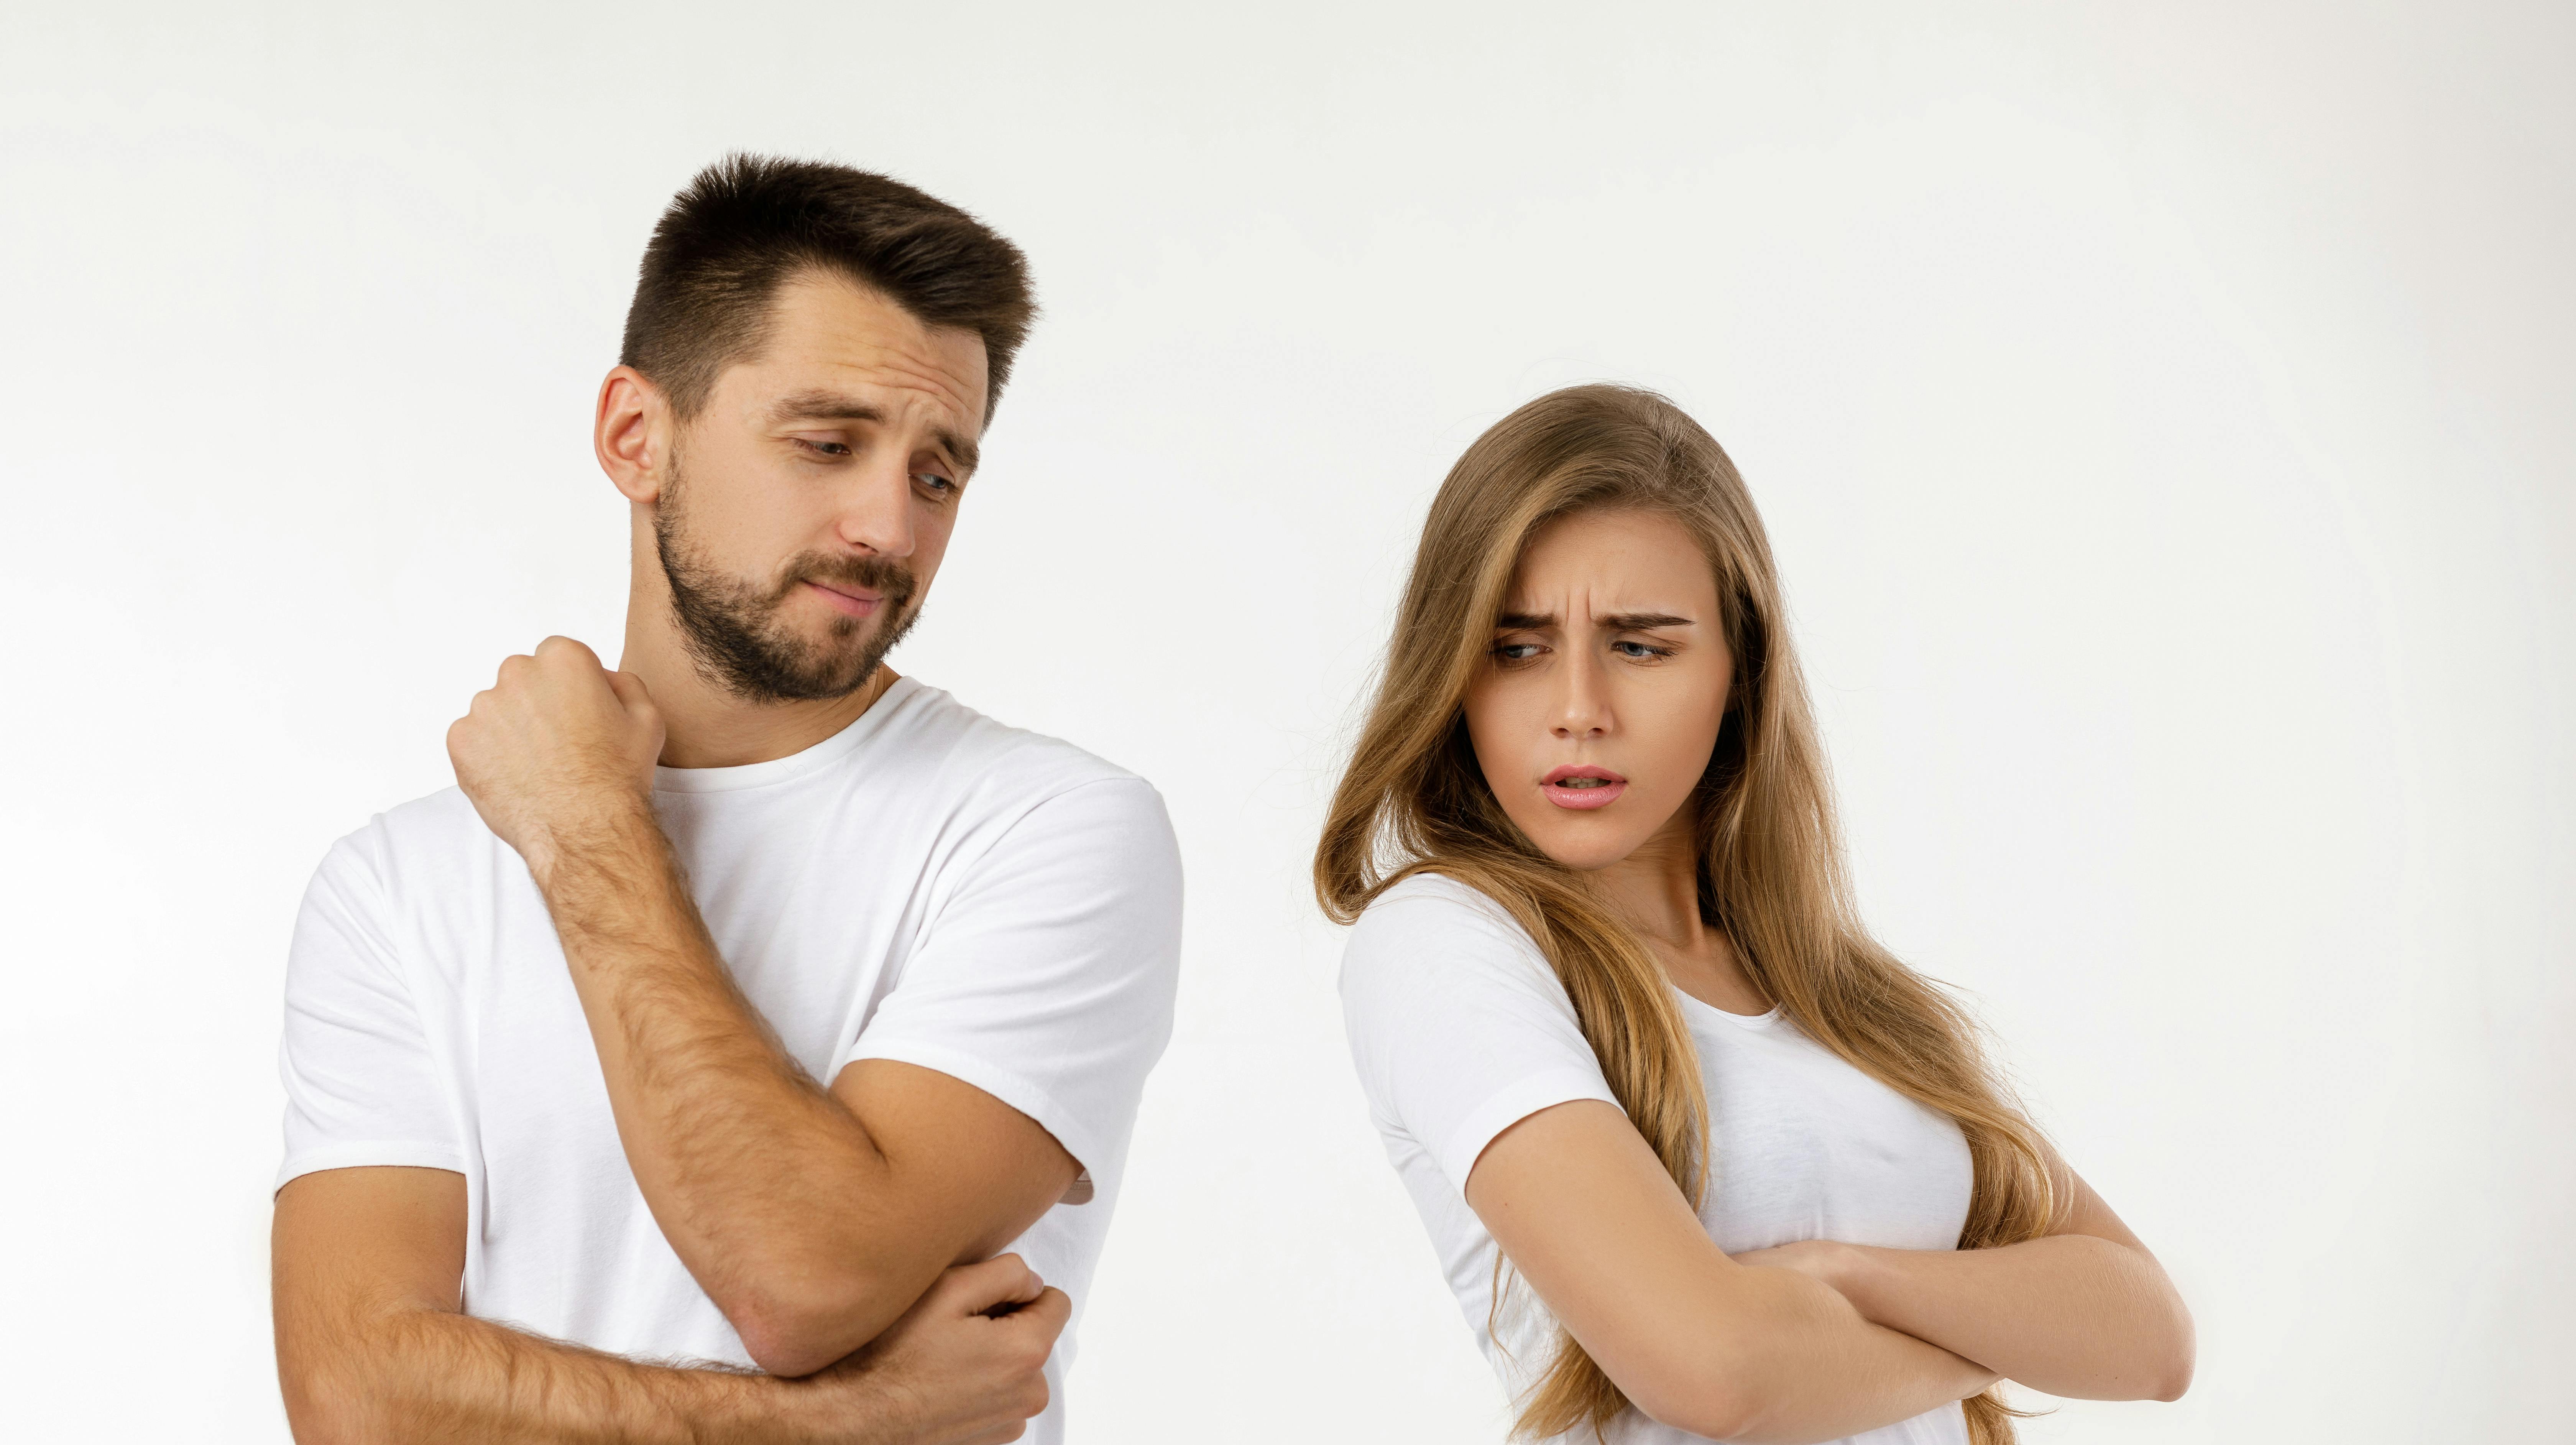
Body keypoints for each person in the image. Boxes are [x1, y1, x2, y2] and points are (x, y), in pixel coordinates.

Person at [270, 156, 1183, 1445]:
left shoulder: (1048, 828)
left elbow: (803, 1276)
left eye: (939, 473)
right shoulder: (399, 883)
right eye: (828, 443)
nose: (890, 528)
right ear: (636, 436)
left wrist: (590, 825)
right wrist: (848, 1421)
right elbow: (358, 1399)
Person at [1320, 385, 2193, 1445]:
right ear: (1452, 671)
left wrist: (1842, 1279)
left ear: (1743, 670)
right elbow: (1720, 1372)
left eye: (1642, 645)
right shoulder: (1445, 942)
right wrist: (2009, 1324)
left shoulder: (1853, 1001)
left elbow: (2149, 1336)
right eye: (1518, 646)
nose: (1578, 708)